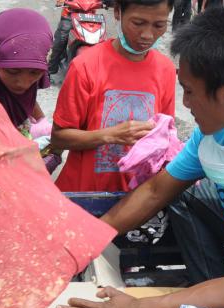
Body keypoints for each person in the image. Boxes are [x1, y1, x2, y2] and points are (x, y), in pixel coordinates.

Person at [57, 6, 224, 308]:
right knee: (185, 191)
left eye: (189, 91)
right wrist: (82, 245)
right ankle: (209, 289)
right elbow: (156, 191)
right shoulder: (214, 135)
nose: (185, 103)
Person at [51, 0, 176, 192]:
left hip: (136, 197)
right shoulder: (85, 66)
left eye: (159, 25)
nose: (147, 35)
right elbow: (59, 138)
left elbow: (165, 135)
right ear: (117, 12)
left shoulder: (166, 70)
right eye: (138, 23)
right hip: (85, 193)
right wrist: (110, 135)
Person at [0, 8, 60, 172]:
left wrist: (42, 122)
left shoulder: (25, 65)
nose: (23, 83)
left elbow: (27, 97)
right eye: (13, 72)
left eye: (35, 73)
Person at [48, 0, 72, 76]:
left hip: (90, 17)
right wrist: (61, 2)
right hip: (70, 15)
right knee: (60, 41)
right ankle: (51, 69)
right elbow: (60, 2)